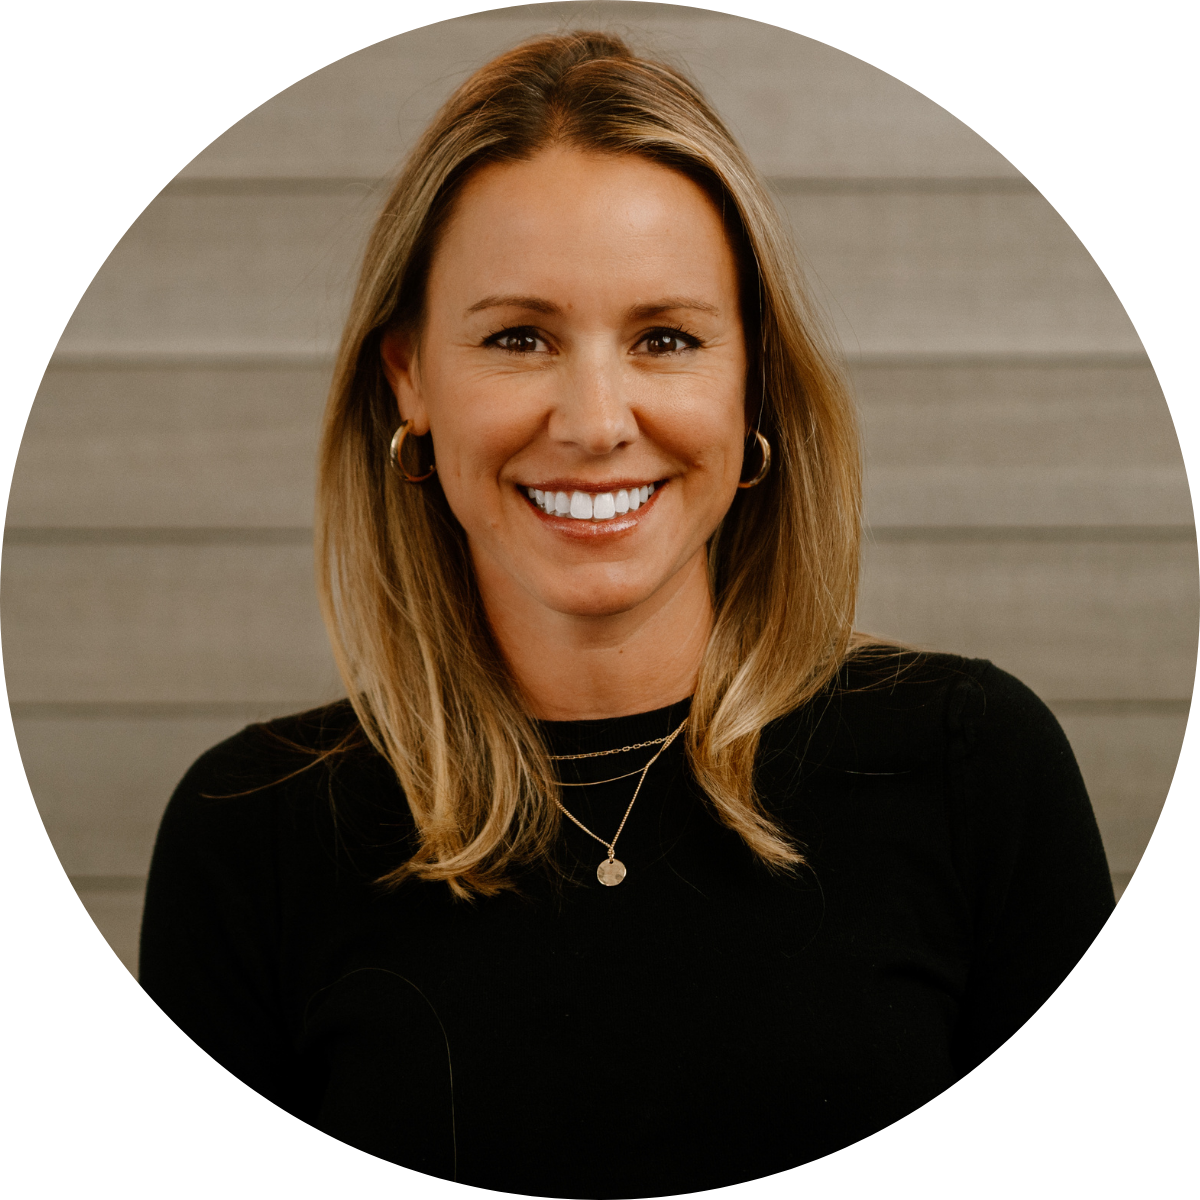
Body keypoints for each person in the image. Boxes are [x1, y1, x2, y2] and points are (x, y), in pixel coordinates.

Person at [138, 30, 1114, 1199]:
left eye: (666, 339)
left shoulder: (972, 767)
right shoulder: (250, 839)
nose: (597, 421)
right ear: (409, 376)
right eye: (518, 338)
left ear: (752, 380)